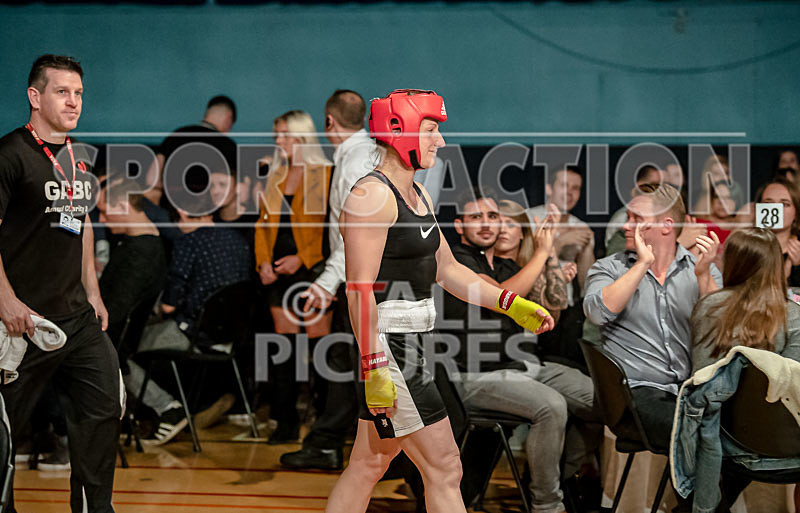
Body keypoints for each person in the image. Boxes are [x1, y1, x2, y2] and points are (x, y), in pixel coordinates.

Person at [324, 89, 553, 513]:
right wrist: (375, 365)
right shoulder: (371, 197)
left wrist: (510, 303)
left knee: (369, 463)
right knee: (446, 467)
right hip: (393, 348)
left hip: (411, 344)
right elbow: (358, 289)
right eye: (431, 130)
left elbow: (449, 272)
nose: (440, 141)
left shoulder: (418, 195)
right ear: (399, 131)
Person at [0, 54, 121, 513]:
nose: (74, 102)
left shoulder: (75, 157)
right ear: (35, 96)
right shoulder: (9, 155)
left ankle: (95, 508)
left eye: (79, 94)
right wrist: (5, 299)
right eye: (62, 92)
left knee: (104, 406)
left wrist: (93, 291)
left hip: (76, 318)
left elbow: (81, 224)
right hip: (22, 322)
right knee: (5, 428)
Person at [441, 192, 599, 513]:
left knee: (605, 401)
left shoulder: (504, 265)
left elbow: (555, 304)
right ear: (459, 225)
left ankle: (553, 476)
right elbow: (503, 297)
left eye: (492, 216)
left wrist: (551, 258)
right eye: (475, 218)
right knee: (551, 406)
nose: (487, 224)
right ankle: (547, 505)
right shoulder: (457, 261)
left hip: (522, 367)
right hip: (474, 375)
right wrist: (542, 252)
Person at [583, 183, 721, 452]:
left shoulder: (702, 268)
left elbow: (721, 330)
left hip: (687, 392)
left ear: (666, 226)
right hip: (631, 394)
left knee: (734, 437)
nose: (626, 226)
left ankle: (704, 496)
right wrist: (642, 264)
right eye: (628, 218)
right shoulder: (609, 268)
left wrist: (704, 278)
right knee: (700, 439)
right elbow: (597, 313)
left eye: (637, 220)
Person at [281, 90, 375, 470]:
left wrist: (325, 282)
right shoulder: (360, 155)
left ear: (329, 121)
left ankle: (332, 443)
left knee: (353, 363)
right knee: (348, 361)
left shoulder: (355, 162)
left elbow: (356, 234)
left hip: (360, 279)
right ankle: (331, 442)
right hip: (357, 278)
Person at [690, 227, 800, 509]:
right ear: (776, 265)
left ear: (733, 264)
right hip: (789, 448)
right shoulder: (796, 316)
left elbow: (701, 384)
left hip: (729, 444)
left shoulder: (709, 308)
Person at [254, 110, 333, 443]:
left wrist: (302, 259)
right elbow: (262, 224)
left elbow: (324, 228)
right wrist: (262, 263)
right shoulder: (275, 174)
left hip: (312, 271)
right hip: (277, 272)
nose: (279, 141)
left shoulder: (323, 173)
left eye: (285, 134)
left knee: (320, 350)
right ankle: (284, 421)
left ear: (303, 136)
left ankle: (323, 424)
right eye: (277, 135)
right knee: (284, 351)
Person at [496, 200, 572, 323]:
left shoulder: (531, 268)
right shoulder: (482, 264)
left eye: (510, 225)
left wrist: (549, 245)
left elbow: (555, 309)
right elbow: (500, 300)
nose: (502, 230)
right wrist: (543, 252)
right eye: (497, 225)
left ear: (522, 233)